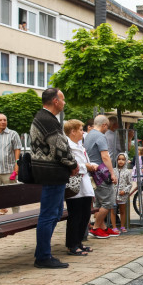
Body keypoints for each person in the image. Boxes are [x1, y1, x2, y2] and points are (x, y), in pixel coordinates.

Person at [30, 88, 78, 269]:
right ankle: (43, 257)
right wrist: (72, 164)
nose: (64, 103)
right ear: (55, 101)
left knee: (55, 213)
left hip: (51, 173)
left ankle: (42, 253)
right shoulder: (47, 120)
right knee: (49, 215)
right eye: (63, 99)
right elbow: (59, 147)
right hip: (51, 173)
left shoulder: (44, 118)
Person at [64, 119, 97, 256]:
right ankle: (72, 245)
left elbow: (84, 161)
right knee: (75, 215)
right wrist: (86, 167)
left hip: (84, 182)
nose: (83, 132)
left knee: (85, 214)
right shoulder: (67, 146)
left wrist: (90, 165)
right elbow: (71, 165)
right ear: (73, 131)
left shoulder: (80, 145)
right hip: (74, 184)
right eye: (80, 129)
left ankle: (78, 242)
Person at [85, 115, 119, 239]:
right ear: (104, 125)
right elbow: (105, 156)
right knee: (108, 201)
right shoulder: (100, 136)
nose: (107, 129)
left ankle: (103, 227)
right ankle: (95, 228)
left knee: (99, 202)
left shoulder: (89, 135)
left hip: (92, 172)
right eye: (107, 126)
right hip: (101, 172)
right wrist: (112, 173)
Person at [115, 153, 135, 232]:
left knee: (122, 211)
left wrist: (125, 191)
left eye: (123, 159)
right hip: (114, 195)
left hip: (122, 195)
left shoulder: (127, 172)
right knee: (113, 211)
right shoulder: (114, 171)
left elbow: (130, 184)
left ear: (126, 161)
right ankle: (114, 227)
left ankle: (122, 226)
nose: (121, 161)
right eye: (119, 159)